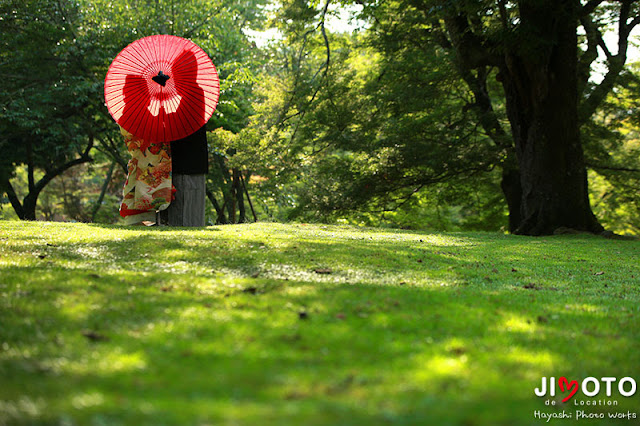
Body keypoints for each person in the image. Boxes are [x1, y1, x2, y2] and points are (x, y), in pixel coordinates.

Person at [118, 74, 173, 226]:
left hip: (147, 165)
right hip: (147, 165)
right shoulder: (132, 115)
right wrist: (161, 98)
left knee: (143, 205)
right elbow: (156, 132)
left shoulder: (131, 113)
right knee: (141, 207)